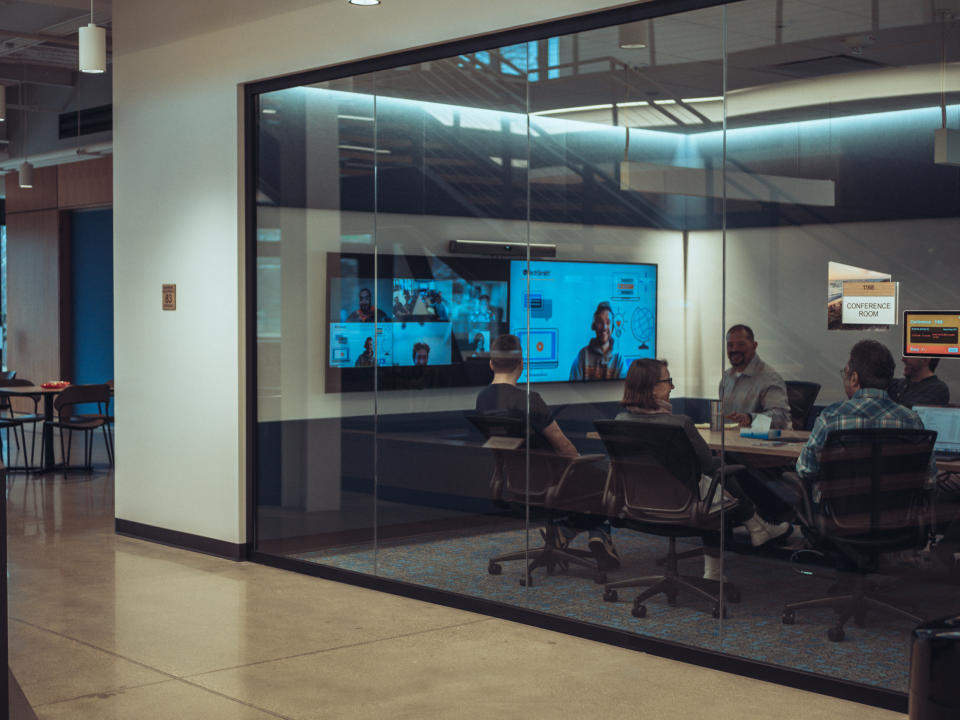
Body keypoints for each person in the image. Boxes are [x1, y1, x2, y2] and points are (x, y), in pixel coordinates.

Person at [617, 358, 791, 580]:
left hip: (639, 506)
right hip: (682, 507)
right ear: (651, 387)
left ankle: (756, 526)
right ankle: (719, 566)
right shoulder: (678, 424)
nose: (673, 387)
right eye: (668, 381)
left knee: (714, 480)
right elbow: (707, 466)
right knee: (718, 474)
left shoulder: (620, 421)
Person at [476, 334, 620, 569]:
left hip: (514, 482)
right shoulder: (530, 400)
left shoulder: (483, 399)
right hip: (552, 482)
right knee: (606, 481)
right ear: (521, 364)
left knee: (592, 484)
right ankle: (595, 531)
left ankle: (571, 530)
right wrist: (582, 464)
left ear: (491, 364)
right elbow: (563, 447)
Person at [796, 340, 927, 481]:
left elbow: (806, 468)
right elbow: (928, 478)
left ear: (854, 379)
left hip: (841, 502)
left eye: (845, 373)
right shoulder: (912, 421)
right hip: (898, 503)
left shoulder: (831, 417)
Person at [719, 324, 790, 429]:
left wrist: (750, 418)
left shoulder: (769, 378)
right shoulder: (726, 378)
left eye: (741, 344)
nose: (734, 349)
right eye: (730, 345)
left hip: (757, 443)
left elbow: (781, 419)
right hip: (729, 443)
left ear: (754, 345)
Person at [569, 301, 624, 381]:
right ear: (594, 326)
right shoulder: (583, 356)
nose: (604, 327)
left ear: (612, 327)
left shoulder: (619, 360)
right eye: (600, 322)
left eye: (608, 322)